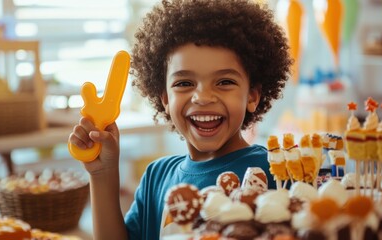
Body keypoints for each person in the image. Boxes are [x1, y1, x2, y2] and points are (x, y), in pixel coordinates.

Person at [68, 0, 292, 239]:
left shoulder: (276, 173)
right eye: (184, 83)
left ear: (253, 96)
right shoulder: (157, 176)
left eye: (225, 82)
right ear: (164, 98)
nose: (203, 97)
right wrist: (102, 174)